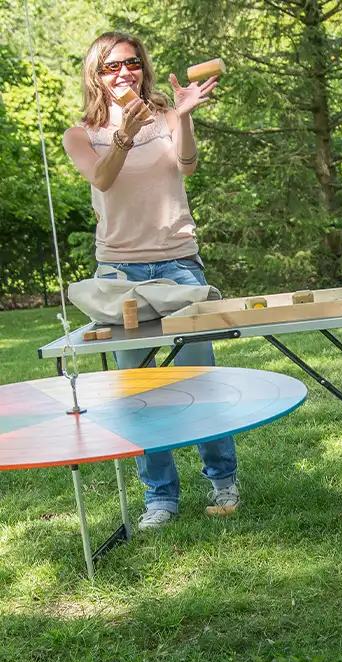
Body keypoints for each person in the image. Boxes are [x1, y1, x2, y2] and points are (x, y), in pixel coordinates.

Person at [63, 32, 239, 529]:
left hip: (179, 264)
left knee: (200, 379)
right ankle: (160, 497)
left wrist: (180, 119)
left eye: (132, 63)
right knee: (139, 390)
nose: (124, 72)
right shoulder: (81, 134)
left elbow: (187, 165)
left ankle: (223, 480)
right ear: (96, 74)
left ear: (143, 67)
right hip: (118, 273)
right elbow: (102, 179)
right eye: (112, 66)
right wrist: (124, 134)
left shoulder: (164, 117)